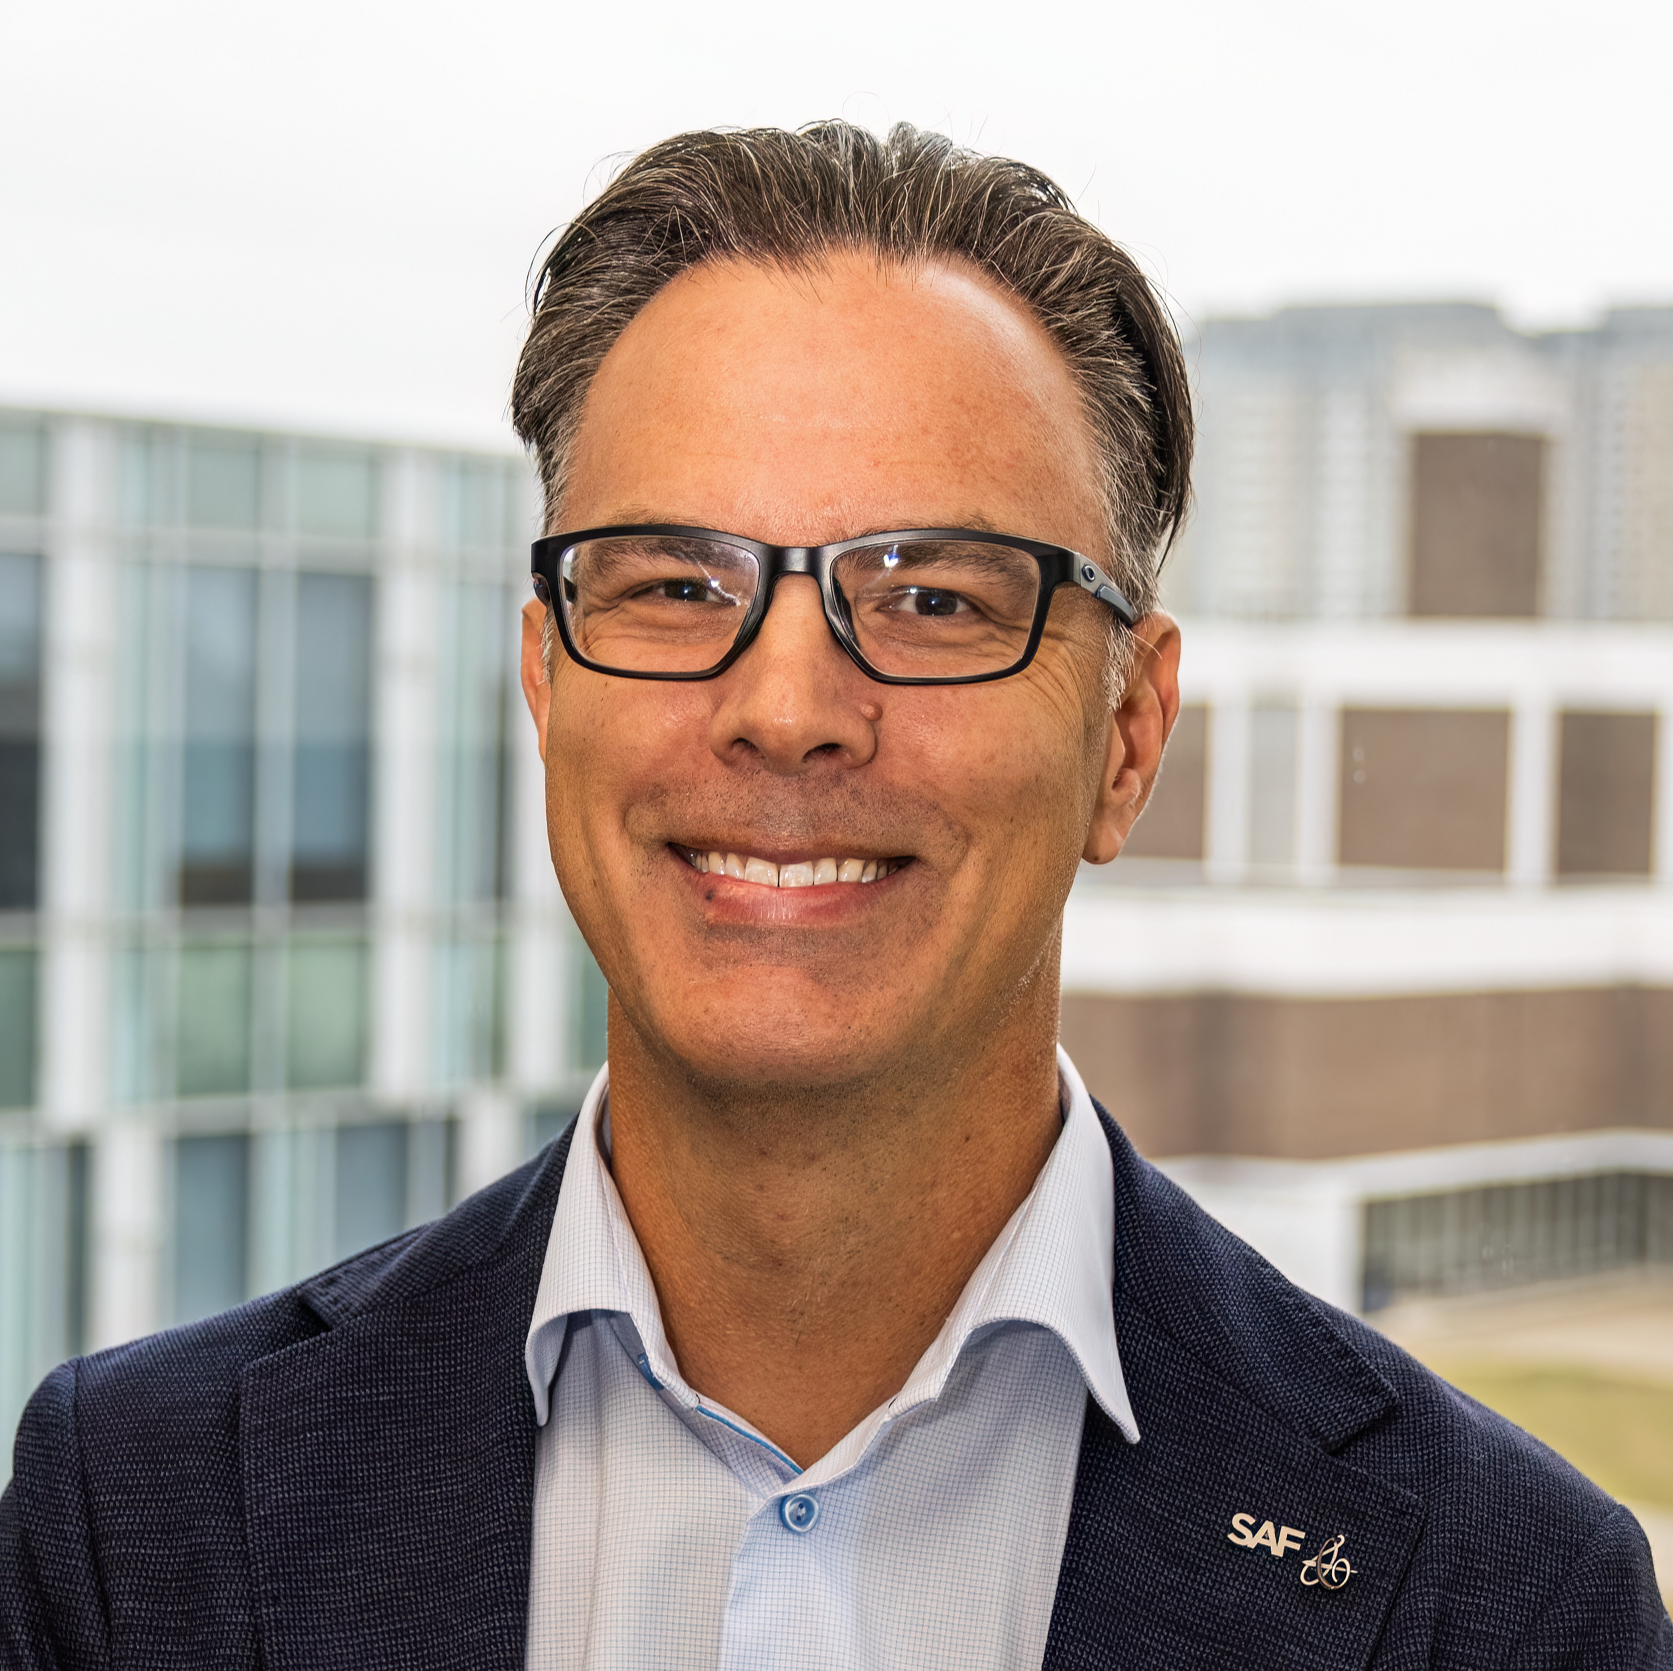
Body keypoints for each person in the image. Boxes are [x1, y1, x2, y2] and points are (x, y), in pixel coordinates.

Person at [2, 122, 1667, 1671]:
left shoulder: (1509, 1601)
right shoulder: (132, 1519)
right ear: (541, 681)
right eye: (672, 584)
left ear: (1128, 737)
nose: (784, 703)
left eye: (932, 595)